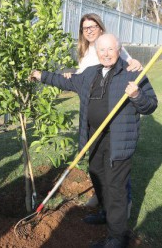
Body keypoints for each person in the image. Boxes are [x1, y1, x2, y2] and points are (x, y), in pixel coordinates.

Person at [29, 34, 157, 248]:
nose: (106, 54)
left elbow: (150, 105)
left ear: (119, 50)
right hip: (94, 137)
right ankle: (105, 213)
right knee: (97, 176)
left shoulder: (132, 72)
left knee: (116, 187)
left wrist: (136, 95)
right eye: (102, 50)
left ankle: (117, 238)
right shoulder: (90, 73)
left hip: (118, 141)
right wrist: (40, 75)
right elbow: (64, 81)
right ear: (97, 52)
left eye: (110, 49)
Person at [65, 13, 141, 210]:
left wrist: (136, 64)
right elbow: (85, 76)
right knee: (97, 161)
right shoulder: (85, 50)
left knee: (117, 162)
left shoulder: (110, 44)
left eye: (93, 26)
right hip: (94, 111)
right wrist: (71, 75)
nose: (89, 30)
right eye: (85, 28)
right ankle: (102, 199)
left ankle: (125, 203)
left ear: (100, 27)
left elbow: (130, 65)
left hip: (115, 113)